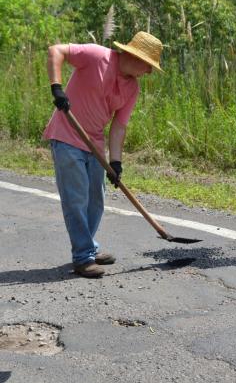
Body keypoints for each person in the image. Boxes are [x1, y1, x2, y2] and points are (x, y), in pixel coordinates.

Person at [43, 31, 163, 278]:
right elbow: (56, 50)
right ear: (135, 57)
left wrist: (116, 161)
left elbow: (119, 125)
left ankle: (88, 245)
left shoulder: (132, 88)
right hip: (67, 135)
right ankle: (83, 257)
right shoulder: (97, 56)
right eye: (148, 66)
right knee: (76, 199)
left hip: (94, 144)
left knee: (95, 199)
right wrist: (57, 88)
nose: (149, 72)